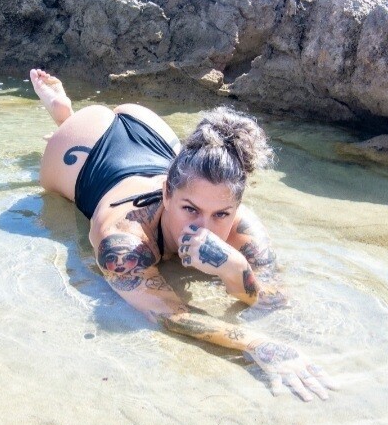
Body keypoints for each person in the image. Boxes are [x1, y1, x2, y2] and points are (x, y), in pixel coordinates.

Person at [31, 68, 337, 402]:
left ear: (237, 208)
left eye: (221, 214)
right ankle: (64, 114)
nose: (203, 228)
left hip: (153, 132)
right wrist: (258, 344)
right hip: (83, 149)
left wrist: (234, 268)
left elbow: (274, 300)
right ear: (166, 194)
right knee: (64, 142)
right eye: (190, 209)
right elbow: (169, 315)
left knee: (196, 172)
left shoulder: (242, 225)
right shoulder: (122, 241)